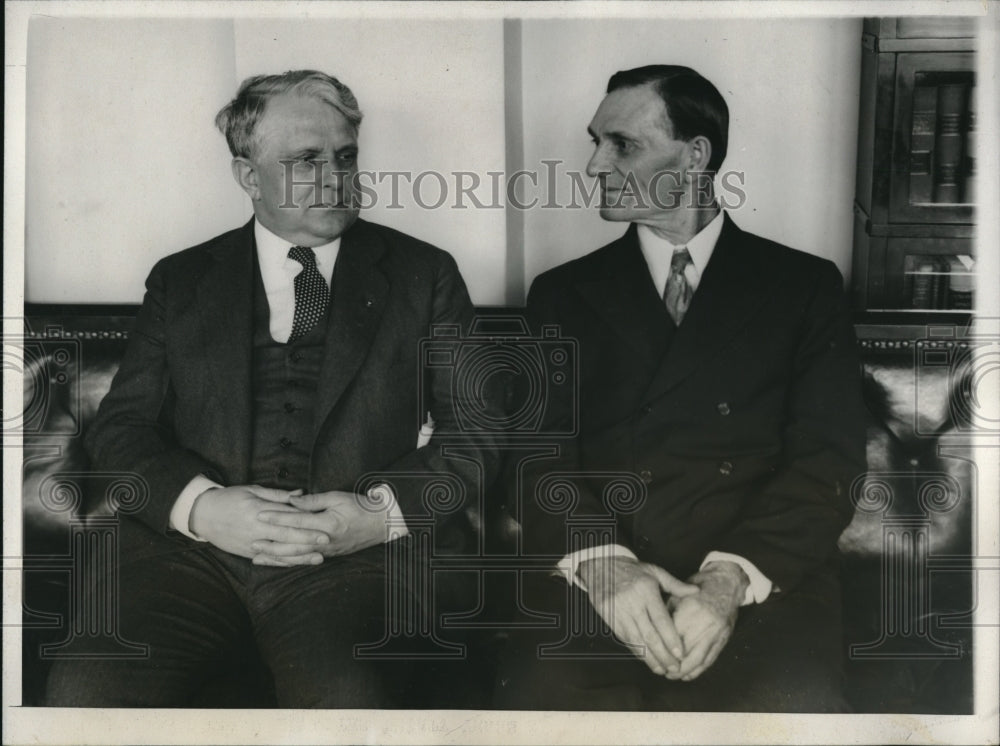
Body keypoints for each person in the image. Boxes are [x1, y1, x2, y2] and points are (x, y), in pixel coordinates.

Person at [45, 70, 500, 708]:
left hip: (351, 561)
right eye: (306, 160)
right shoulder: (182, 281)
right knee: (87, 694)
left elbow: (479, 432)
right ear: (248, 177)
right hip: (187, 557)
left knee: (348, 698)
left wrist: (375, 516)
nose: (336, 177)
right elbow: (122, 429)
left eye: (346, 157)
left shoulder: (424, 275)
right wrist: (203, 509)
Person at [495, 65, 867, 712]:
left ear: (696, 154)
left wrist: (727, 581)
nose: (594, 166)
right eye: (596, 142)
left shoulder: (802, 287)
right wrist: (603, 563)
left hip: (759, 582)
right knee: (541, 702)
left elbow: (828, 462)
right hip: (602, 582)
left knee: (790, 704)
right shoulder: (562, 294)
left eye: (623, 144)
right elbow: (532, 458)